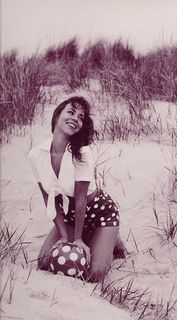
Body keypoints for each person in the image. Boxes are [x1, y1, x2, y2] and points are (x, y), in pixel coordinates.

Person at [28, 96, 126, 282]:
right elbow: (49, 200)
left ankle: (112, 238)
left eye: (81, 117)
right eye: (71, 112)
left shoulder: (82, 152)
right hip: (70, 216)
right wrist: (65, 236)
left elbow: (81, 200)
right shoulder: (35, 155)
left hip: (100, 213)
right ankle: (92, 237)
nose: (75, 118)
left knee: (94, 275)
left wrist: (78, 240)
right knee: (44, 262)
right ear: (57, 116)